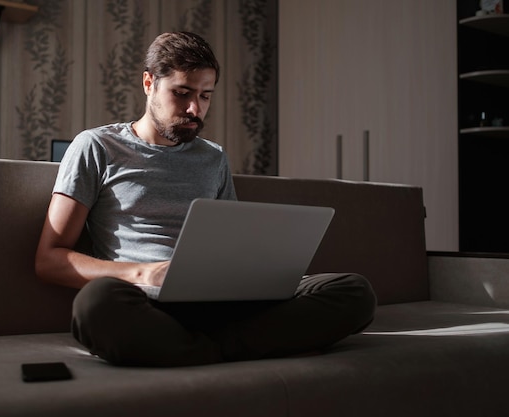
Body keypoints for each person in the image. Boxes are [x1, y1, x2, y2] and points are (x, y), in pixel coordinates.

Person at [35, 31, 376, 367]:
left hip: (222, 300)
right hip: (148, 302)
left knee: (353, 292)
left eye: (205, 96)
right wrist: (145, 274)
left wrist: (255, 272)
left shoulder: (213, 158)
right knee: (95, 306)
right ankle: (249, 346)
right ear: (149, 83)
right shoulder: (97, 147)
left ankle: (198, 351)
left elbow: (232, 242)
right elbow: (50, 259)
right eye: (181, 93)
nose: (194, 108)